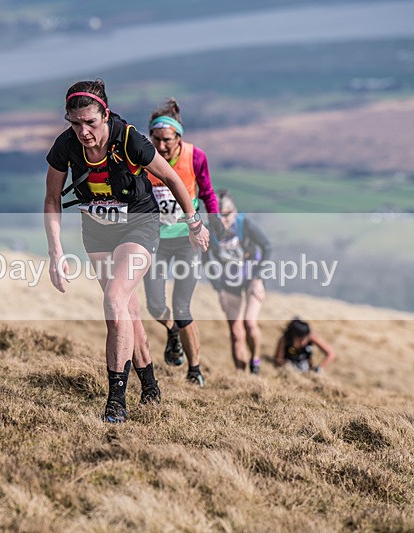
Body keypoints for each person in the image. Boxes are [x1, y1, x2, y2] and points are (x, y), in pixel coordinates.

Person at [44, 80, 209, 423]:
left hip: (140, 224)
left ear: (105, 115)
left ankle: (115, 401)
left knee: (114, 301)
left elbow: (176, 181)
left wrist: (195, 224)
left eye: (90, 122)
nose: (83, 132)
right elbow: (52, 199)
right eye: (75, 124)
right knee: (127, 312)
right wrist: (56, 252)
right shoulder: (66, 146)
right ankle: (150, 385)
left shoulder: (129, 138)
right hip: (97, 232)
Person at [142, 97, 220, 388]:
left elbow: (208, 192)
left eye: (166, 140)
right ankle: (172, 332)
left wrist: (215, 226)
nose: (160, 146)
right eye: (156, 139)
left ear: (179, 137)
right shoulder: (144, 158)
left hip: (186, 241)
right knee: (154, 305)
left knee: (182, 306)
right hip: (155, 241)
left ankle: (195, 370)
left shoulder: (195, 156)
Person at [205, 189, 271, 374]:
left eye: (227, 215)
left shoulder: (245, 224)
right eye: (218, 216)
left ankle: (255, 361)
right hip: (229, 282)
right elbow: (205, 259)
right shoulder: (210, 230)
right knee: (236, 333)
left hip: (252, 278)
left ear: (234, 211)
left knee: (249, 323)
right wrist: (218, 288)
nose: (223, 220)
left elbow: (267, 247)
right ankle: (240, 377)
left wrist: (258, 278)